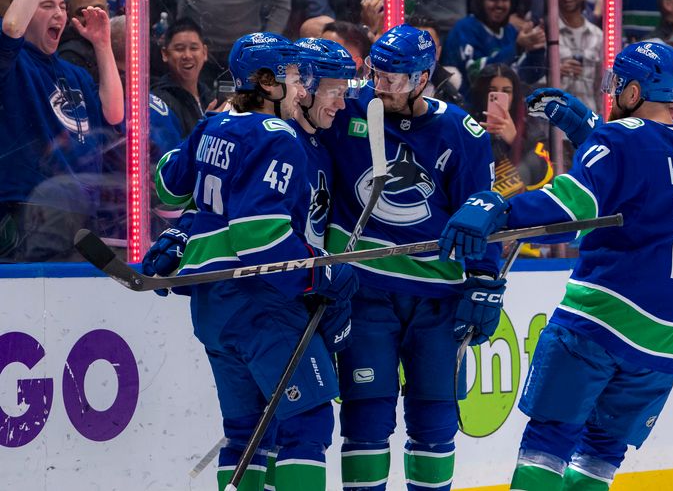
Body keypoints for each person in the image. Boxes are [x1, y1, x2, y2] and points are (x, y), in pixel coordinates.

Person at [439, 42, 673, 490]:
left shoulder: (618, 139)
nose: (613, 92)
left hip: (601, 321)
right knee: (601, 455)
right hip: (668, 338)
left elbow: (569, 215)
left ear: (634, 89)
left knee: (548, 441)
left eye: (619, 84)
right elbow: (647, 170)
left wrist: (499, 206)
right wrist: (589, 130)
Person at [146, 32, 358, 491]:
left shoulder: (212, 125)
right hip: (261, 303)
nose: (302, 88)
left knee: (246, 435)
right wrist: (321, 272)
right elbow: (259, 239)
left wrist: (185, 227)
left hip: (212, 307)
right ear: (266, 81)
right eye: (295, 77)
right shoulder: (279, 136)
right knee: (307, 425)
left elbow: (166, 187)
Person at [321, 24, 503, 491]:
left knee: (435, 417)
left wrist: (486, 280)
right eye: (374, 74)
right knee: (365, 416)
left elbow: (481, 211)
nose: (379, 86)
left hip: (438, 298)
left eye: (393, 79)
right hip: (365, 289)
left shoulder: (462, 133)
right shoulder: (348, 110)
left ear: (423, 78)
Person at [0, 0, 123, 261]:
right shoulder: (12, 63)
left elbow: (114, 114)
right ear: (28, 10)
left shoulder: (74, 74)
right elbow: (12, 26)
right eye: (46, 6)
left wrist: (102, 44)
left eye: (62, 6)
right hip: (27, 207)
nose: (59, 13)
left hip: (81, 210)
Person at [290, 36, 358, 248]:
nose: (341, 104)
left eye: (344, 94)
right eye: (333, 93)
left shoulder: (323, 150)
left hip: (309, 276)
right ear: (304, 86)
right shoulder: (277, 142)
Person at [443, 0, 544, 101]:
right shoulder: (465, 28)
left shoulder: (510, 32)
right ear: (481, 0)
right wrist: (517, 46)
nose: (500, 5)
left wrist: (536, 48)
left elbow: (524, 77)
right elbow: (476, 75)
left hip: (503, 108)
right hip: (466, 110)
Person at [470, 63, 552, 195]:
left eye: (506, 91)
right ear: (483, 93)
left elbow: (543, 177)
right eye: (493, 90)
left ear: (515, 95)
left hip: (520, 208)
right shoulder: (466, 127)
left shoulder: (532, 132)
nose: (499, 96)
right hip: (480, 209)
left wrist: (515, 140)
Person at [150, 17, 214, 138]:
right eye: (179, 49)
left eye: (194, 48)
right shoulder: (159, 103)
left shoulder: (210, 97)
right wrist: (207, 130)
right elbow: (170, 154)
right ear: (165, 54)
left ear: (204, 52)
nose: (187, 55)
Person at [556, 0, 603, 113]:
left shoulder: (598, 35)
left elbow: (603, 84)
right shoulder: (545, 34)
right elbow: (529, 81)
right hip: (554, 123)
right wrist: (555, 72)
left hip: (587, 120)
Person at [57, 0, 108, 81]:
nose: (91, 17)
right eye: (82, 12)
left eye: (98, 9)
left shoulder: (121, 42)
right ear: (69, 15)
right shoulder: (68, 55)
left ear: (108, 10)